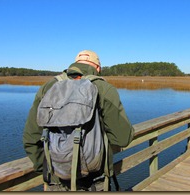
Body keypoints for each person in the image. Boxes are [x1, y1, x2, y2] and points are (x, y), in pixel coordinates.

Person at [23, 50, 134, 191]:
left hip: (56, 180)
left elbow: (31, 137)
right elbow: (123, 138)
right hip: (94, 180)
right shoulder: (104, 88)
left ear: (75, 63)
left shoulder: (49, 87)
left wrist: (48, 168)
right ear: (98, 68)